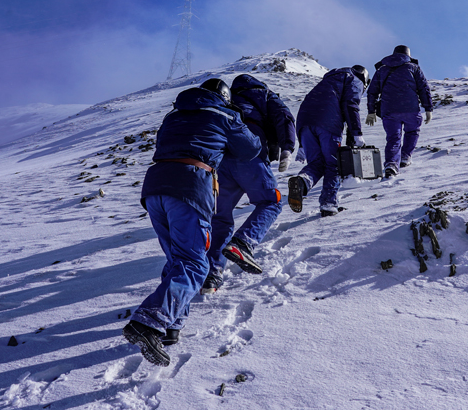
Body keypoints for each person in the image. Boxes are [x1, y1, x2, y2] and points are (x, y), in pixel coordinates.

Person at [123, 78, 261, 367]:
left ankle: (170, 325)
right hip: (190, 186)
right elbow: (250, 149)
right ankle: (148, 321)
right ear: (223, 97)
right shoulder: (224, 114)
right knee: (196, 264)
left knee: (178, 260)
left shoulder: (173, 114)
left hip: (155, 186)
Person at [202, 74, 297, 293]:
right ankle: (244, 242)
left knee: (219, 217)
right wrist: (287, 148)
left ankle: (211, 275)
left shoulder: (226, 98)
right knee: (271, 202)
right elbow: (284, 116)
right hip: (250, 154)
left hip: (222, 161)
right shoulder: (263, 94)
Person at [287, 65, 369, 217]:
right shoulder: (354, 79)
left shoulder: (326, 82)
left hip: (304, 123)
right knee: (333, 164)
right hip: (328, 123)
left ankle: (302, 182)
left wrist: (302, 143)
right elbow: (350, 105)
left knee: (316, 163)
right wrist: (357, 134)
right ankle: (329, 204)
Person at [365, 45, 432, 179]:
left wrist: (371, 111)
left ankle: (391, 164)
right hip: (410, 108)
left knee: (393, 138)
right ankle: (405, 157)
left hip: (389, 110)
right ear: (408, 55)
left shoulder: (382, 69)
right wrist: (428, 108)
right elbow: (424, 88)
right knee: (412, 131)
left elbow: (372, 92)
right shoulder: (413, 68)